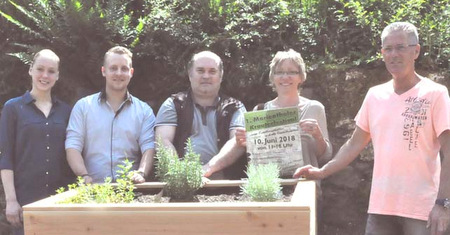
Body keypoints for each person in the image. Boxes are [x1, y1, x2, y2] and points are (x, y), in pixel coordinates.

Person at [295, 22, 450, 235]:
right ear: (382, 53)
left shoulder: (435, 94)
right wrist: (322, 172)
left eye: (400, 47)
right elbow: (354, 144)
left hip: (422, 209)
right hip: (381, 209)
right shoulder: (374, 95)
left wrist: (443, 204)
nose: (394, 54)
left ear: (416, 51)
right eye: (388, 49)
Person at [0, 49, 74, 235]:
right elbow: (6, 156)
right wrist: (11, 200)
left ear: (57, 75)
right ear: (30, 69)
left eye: (51, 71)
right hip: (25, 202)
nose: (45, 75)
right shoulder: (13, 108)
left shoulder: (66, 111)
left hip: (60, 203)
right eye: (40, 69)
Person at [235, 49, 333, 178]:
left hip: (303, 187)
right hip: (269, 189)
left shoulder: (314, 108)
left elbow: (325, 156)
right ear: (273, 77)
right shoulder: (260, 111)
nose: (285, 77)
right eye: (279, 72)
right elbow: (256, 157)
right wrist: (246, 142)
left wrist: (318, 137)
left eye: (292, 72)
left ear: (301, 77)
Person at [65, 46, 155, 184]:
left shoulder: (144, 111)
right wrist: (83, 175)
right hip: (92, 189)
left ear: (131, 72)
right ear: (104, 71)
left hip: (130, 190)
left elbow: (149, 146)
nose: (119, 73)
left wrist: (141, 173)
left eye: (124, 69)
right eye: (113, 68)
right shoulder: (83, 107)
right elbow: (72, 146)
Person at [155, 51, 247, 179]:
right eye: (200, 70)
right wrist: (180, 173)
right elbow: (162, 141)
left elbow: (238, 142)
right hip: (181, 183)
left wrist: (208, 168)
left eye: (212, 71)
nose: (206, 76)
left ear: (221, 76)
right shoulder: (173, 104)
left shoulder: (235, 107)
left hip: (225, 184)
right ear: (190, 74)